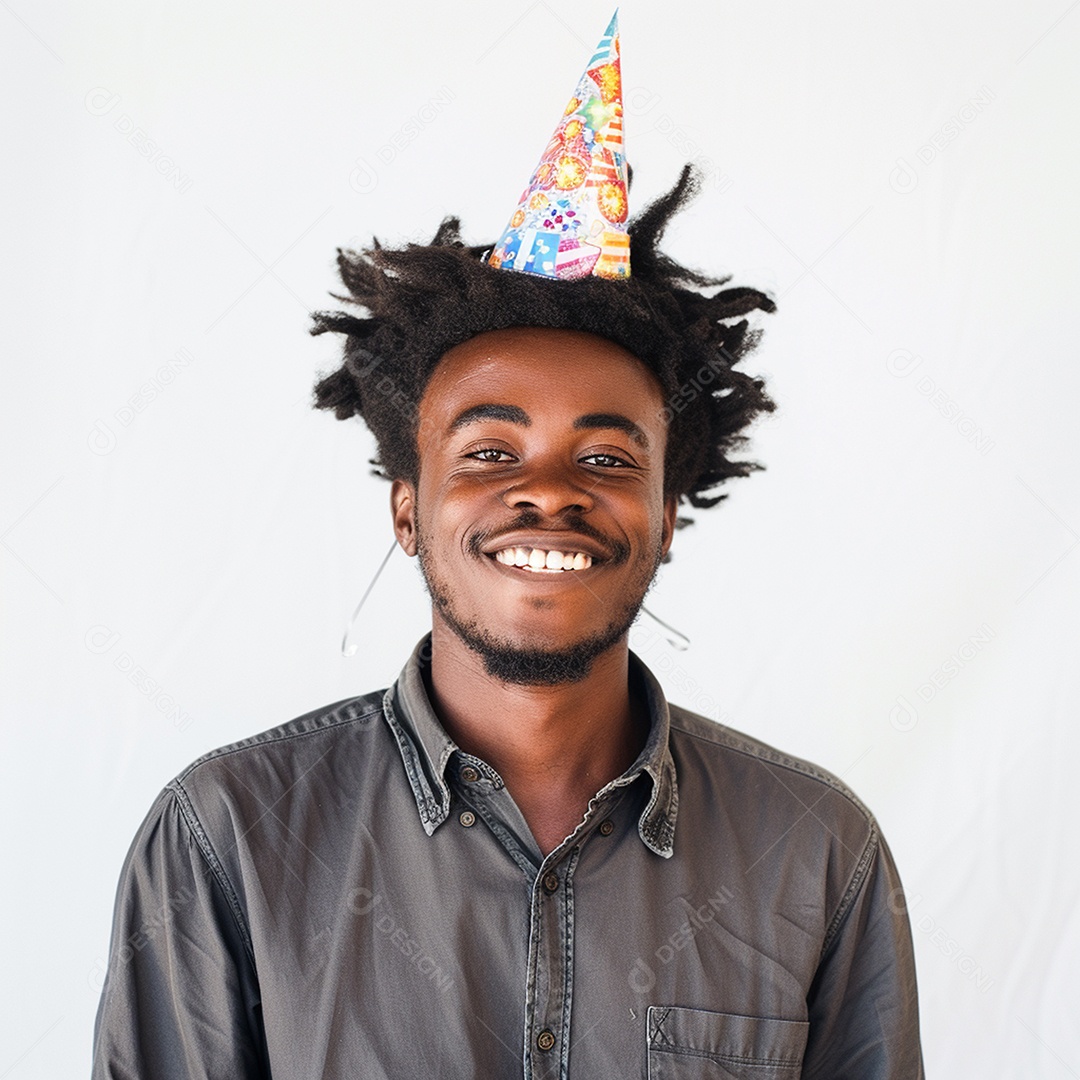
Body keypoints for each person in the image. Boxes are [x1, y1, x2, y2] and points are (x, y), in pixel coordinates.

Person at [92, 17, 923, 1079]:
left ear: (669, 518)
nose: (547, 493)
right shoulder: (227, 839)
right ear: (407, 511)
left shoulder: (815, 850)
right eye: (489, 452)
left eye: (610, 461)